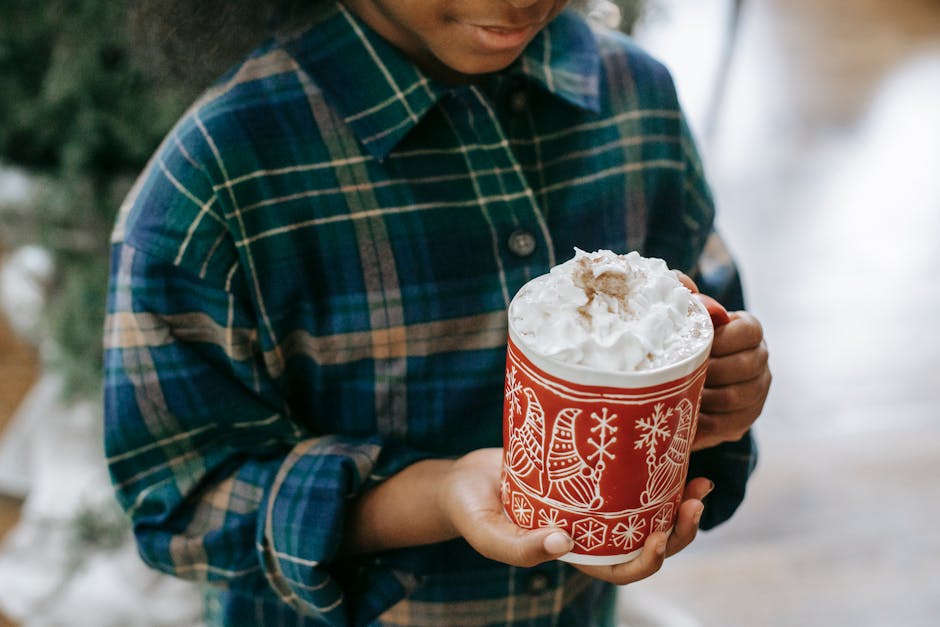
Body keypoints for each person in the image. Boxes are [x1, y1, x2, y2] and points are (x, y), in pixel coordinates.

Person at [104, 0, 771, 625]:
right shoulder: (213, 186)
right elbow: (184, 503)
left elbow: (707, 303)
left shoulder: (638, 100)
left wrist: (720, 389)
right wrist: (436, 495)